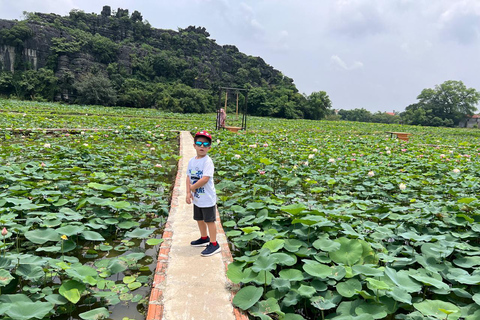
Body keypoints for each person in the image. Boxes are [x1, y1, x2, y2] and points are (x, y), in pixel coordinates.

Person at [186, 130, 220, 256]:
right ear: (194, 145)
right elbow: (188, 177)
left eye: (205, 144)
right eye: (199, 143)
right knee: (199, 219)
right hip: (197, 198)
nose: (202, 146)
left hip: (207, 198)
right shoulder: (191, 161)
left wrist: (193, 187)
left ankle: (214, 244)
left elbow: (205, 179)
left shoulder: (207, 161)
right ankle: (204, 238)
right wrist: (188, 193)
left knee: (209, 221)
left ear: (209, 148)